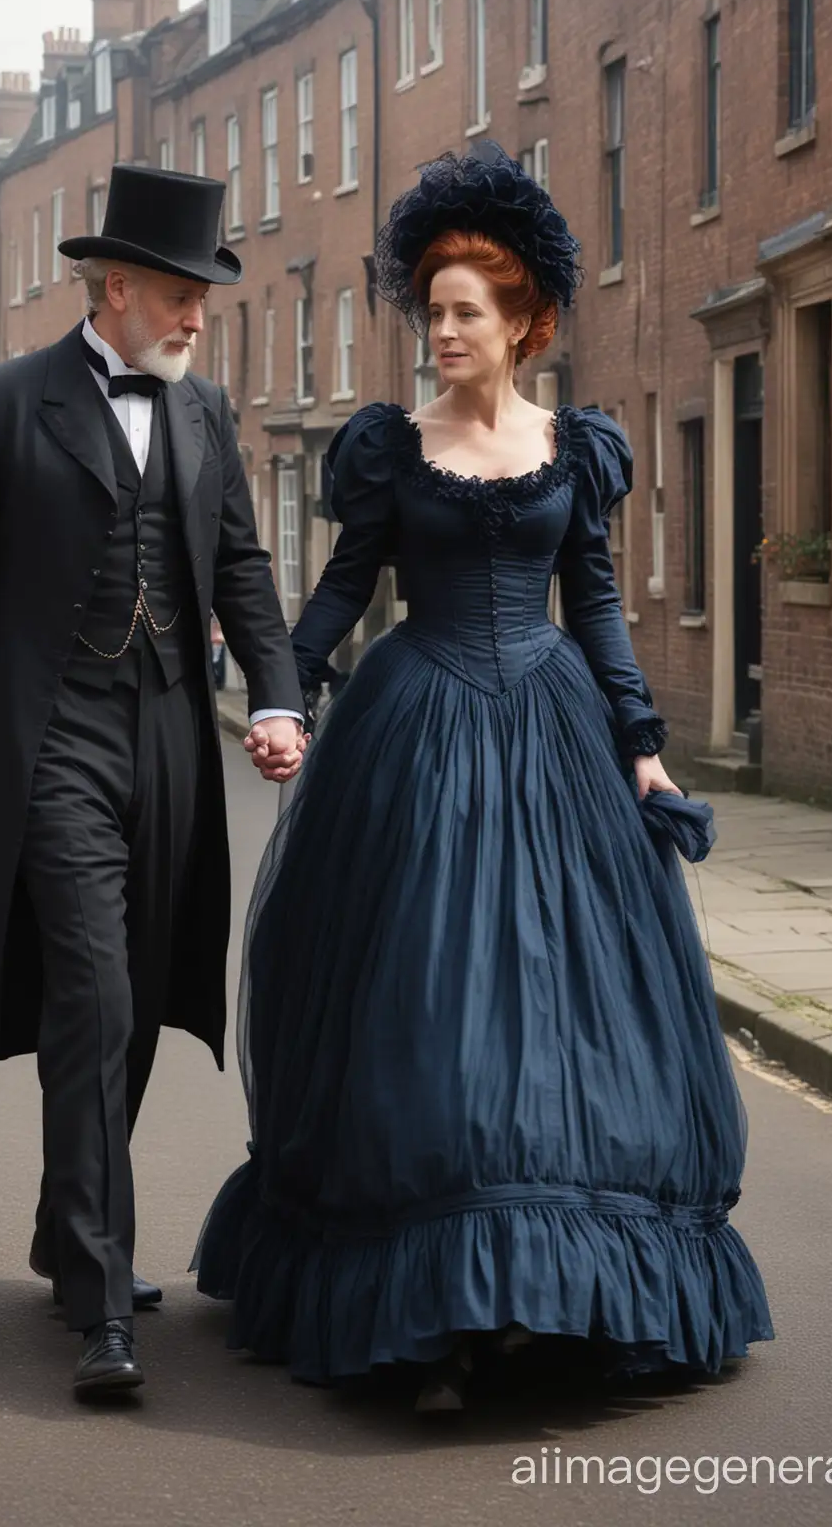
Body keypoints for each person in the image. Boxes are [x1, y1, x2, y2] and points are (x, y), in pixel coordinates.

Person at [193, 143, 773, 1410]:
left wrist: (646, 751)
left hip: (556, 730)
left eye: (465, 312)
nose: (440, 331)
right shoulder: (392, 448)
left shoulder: (580, 449)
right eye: (432, 310)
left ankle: (548, 1303)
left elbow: (601, 608)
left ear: (526, 323)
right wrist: (283, 694)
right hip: (418, 733)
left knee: (566, 1016)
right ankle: (445, 1304)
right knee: (432, 1006)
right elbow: (344, 589)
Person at [0, 164, 305, 1401]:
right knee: (90, 989)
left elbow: (241, 567)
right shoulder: (4, 402)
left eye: (208, 300)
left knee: (135, 993)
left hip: (172, 735)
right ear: (117, 285)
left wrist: (281, 694)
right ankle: (100, 1296)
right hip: (52, 737)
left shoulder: (202, 412)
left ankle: (61, 1223)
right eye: (185, 295)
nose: (199, 319)